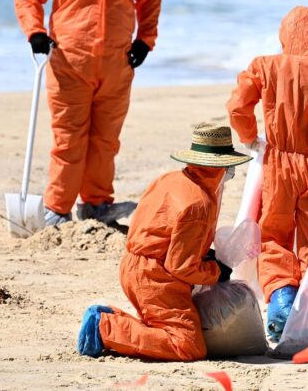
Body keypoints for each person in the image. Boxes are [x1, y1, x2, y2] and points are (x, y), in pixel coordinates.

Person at [14, 0, 162, 226]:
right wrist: (36, 32)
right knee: (69, 139)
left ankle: (96, 204)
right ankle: (58, 208)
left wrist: (145, 40)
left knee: (105, 140)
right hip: (69, 64)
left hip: (117, 66)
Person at [225, 6, 308, 341]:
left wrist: (250, 137)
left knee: (274, 236)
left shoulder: (264, 66)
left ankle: (281, 298)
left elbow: (238, 105)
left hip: (277, 162)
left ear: (283, 34)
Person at [76, 123, 251, 360]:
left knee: (163, 327)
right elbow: (181, 266)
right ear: (219, 167)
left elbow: (165, 234)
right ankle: (104, 327)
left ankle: (107, 317)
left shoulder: (169, 179)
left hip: (134, 266)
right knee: (187, 346)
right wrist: (214, 270)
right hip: (155, 278)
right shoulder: (199, 204)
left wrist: (203, 254)